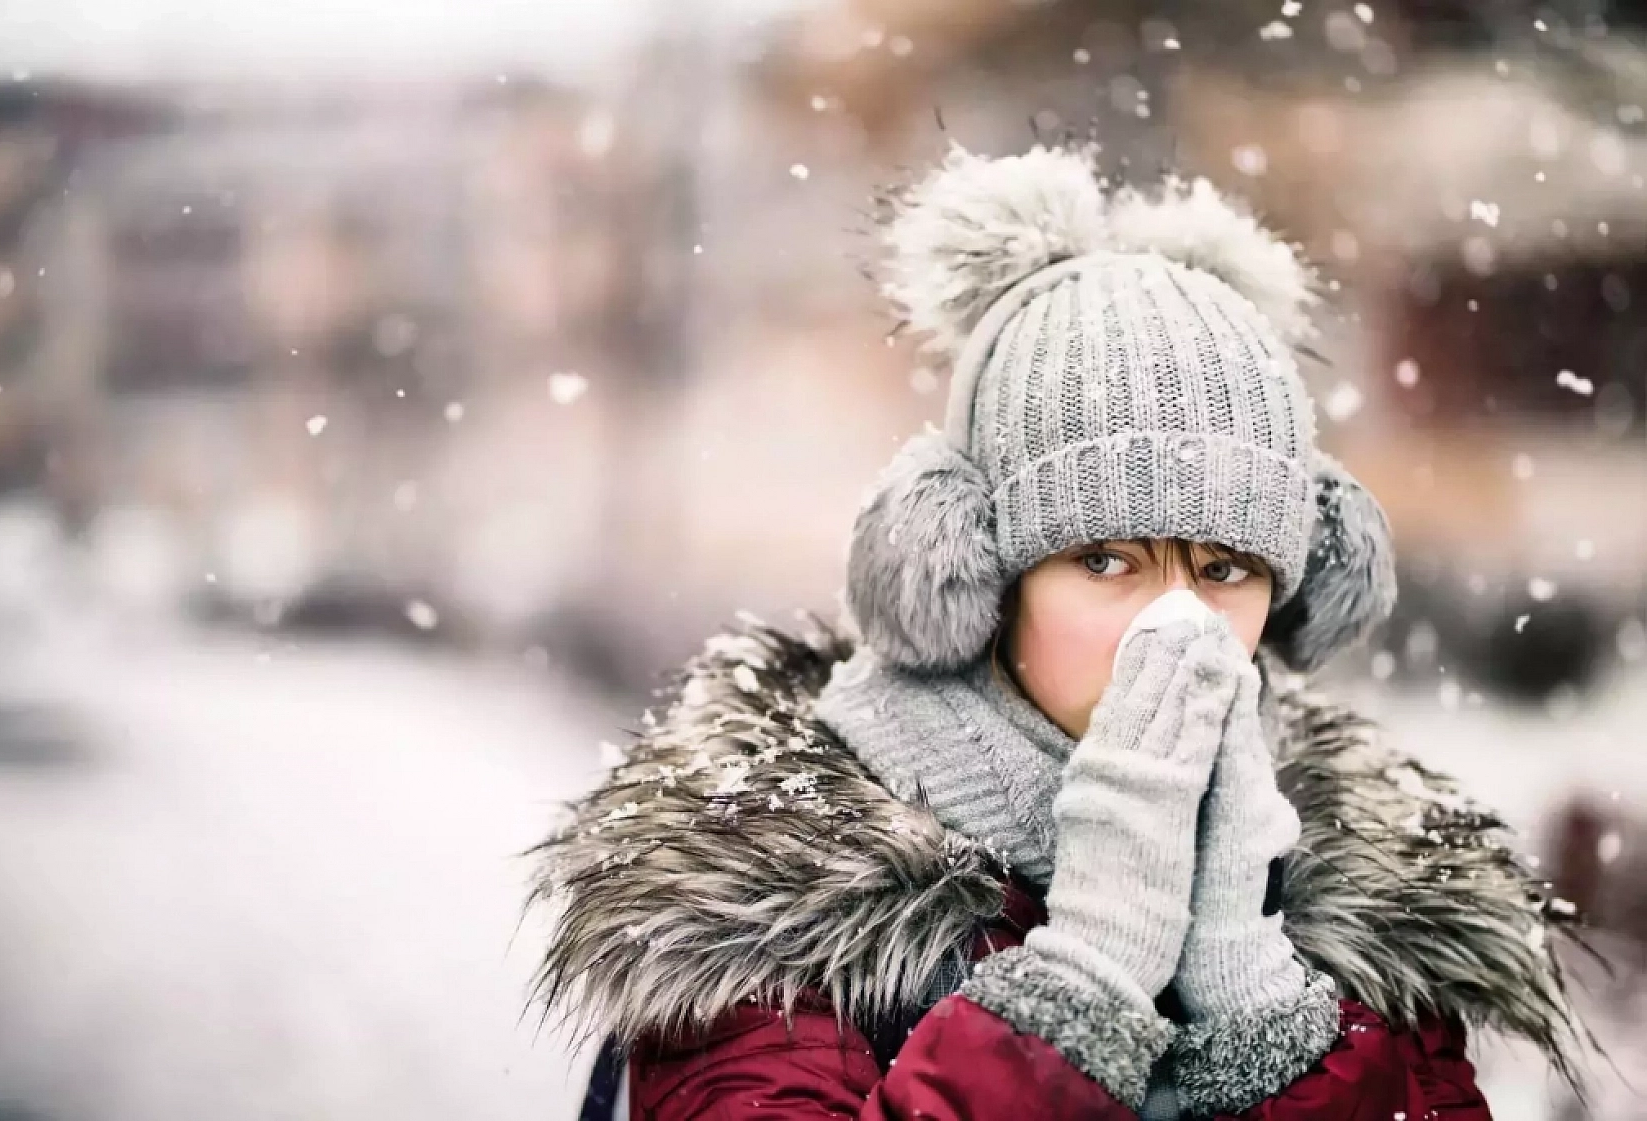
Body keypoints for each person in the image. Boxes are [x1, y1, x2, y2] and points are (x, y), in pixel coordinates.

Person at [525, 144, 1582, 1119]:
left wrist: (1266, 1014)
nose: (1176, 619)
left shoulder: (1360, 911)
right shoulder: (775, 916)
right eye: (1103, 560)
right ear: (965, 567)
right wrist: (1084, 982)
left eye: (1223, 568)